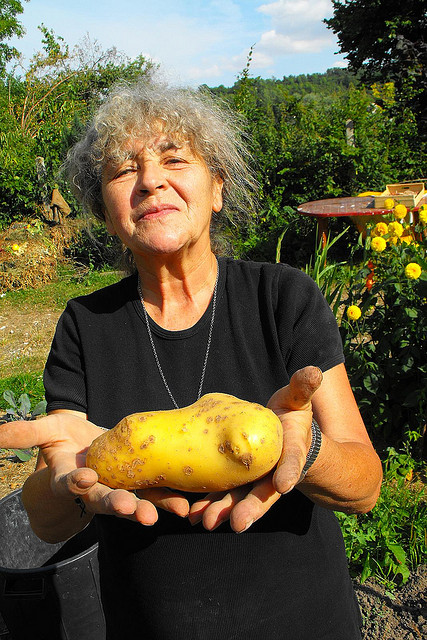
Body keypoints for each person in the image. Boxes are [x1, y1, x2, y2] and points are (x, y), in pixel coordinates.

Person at [1, 80, 383, 639]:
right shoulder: (85, 325)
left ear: (217, 188)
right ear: (106, 214)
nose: (151, 180)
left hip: (308, 622)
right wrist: (65, 485)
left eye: (175, 159)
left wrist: (306, 449)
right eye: (123, 170)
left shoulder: (282, 297)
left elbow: (366, 486)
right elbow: (46, 520)